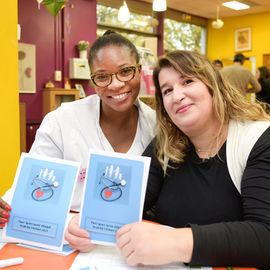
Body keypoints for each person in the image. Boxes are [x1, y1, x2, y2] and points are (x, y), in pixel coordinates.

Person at [116, 50, 270, 269]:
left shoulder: (258, 141)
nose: (177, 96)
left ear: (212, 86)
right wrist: (81, 224)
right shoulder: (165, 147)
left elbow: (265, 236)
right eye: (167, 90)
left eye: (187, 81)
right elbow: (128, 202)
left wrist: (175, 243)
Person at [0, 31, 156, 230]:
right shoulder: (62, 121)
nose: (116, 84)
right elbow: (32, 186)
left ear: (139, 70)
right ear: (92, 81)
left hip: (137, 237)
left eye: (125, 71)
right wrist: (6, 207)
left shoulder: (157, 127)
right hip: (68, 233)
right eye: (102, 76)